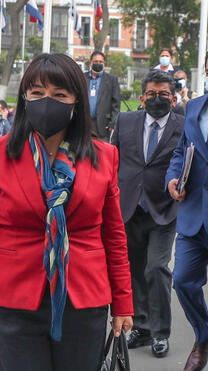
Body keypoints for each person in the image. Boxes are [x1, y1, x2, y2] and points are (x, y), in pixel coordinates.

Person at [0, 53, 133, 371]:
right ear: (25, 97)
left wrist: (123, 302)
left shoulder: (104, 156)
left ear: (76, 102)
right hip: (16, 300)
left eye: (59, 95)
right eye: (37, 93)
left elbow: (114, 235)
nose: (46, 102)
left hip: (84, 301)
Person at [111, 70, 184, 358]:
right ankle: (141, 327)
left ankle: (161, 333)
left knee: (156, 268)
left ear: (173, 98)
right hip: (128, 207)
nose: (157, 99)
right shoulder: (125, 121)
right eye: (151, 94)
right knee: (135, 270)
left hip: (164, 209)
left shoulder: (182, 125)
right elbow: (113, 159)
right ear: (142, 97)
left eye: (163, 94)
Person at [165, 88, 208, 371]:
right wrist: (172, 178)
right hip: (194, 212)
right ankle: (203, 336)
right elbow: (182, 150)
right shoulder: (194, 106)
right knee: (181, 280)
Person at [85, 51, 120, 142]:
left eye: (100, 62)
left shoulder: (111, 80)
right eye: (95, 61)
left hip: (103, 126)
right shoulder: (82, 77)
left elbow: (116, 104)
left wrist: (113, 123)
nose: (98, 64)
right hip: (85, 124)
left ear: (104, 63)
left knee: (102, 154)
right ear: (90, 62)